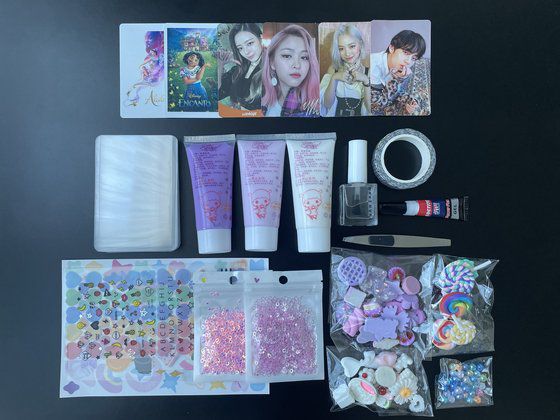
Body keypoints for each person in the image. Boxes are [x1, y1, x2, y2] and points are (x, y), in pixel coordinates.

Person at [262, 24, 320, 117]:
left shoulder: (315, 108)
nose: (297, 65)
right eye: (287, 56)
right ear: (272, 62)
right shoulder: (262, 101)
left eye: (304, 57)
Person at [320, 23, 370, 116]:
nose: (347, 53)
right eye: (341, 48)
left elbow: (370, 109)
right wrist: (334, 78)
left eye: (352, 46)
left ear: (360, 44)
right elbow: (327, 104)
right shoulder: (333, 70)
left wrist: (366, 80)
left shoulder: (369, 73)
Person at [218, 23, 263, 111]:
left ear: (261, 38)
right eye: (240, 48)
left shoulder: (271, 69)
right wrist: (220, 65)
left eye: (250, 43)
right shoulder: (238, 70)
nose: (246, 52)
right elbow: (219, 93)